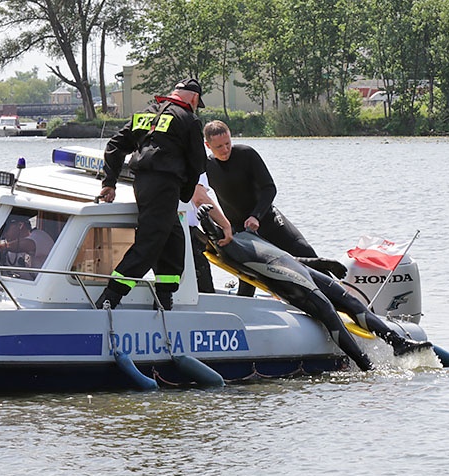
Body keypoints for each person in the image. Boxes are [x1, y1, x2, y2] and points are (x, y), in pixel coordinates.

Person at [196, 205, 431, 371]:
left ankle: (398, 343)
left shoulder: (246, 233)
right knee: (329, 312)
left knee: (350, 301)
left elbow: (284, 256)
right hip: (288, 280)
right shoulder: (227, 244)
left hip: (301, 269)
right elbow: (219, 241)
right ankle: (366, 365)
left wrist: (321, 262)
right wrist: (209, 225)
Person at [95, 78, 207, 311]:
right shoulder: (189, 120)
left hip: (143, 183)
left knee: (174, 241)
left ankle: (164, 300)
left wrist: (110, 182)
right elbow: (198, 165)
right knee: (150, 244)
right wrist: (184, 195)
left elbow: (115, 145)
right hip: (165, 185)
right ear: (194, 99)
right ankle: (110, 297)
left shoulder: (144, 114)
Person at [202, 120, 320, 296]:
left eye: (228, 143)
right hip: (240, 231)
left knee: (307, 254)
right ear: (207, 145)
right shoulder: (206, 166)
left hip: (267, 220)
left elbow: (269, 188)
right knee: (248, 278)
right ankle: (245, 313)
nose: (225, 150)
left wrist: (256, 215)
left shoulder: (246, 154)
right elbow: (199, 196)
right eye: (219, 146)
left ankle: (344, 293)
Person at [185, 173, 233, 293]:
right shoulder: (192, 160)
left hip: (152, 228)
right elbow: (199, 198)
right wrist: (225, 226)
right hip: (183, 233)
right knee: (203, 289)